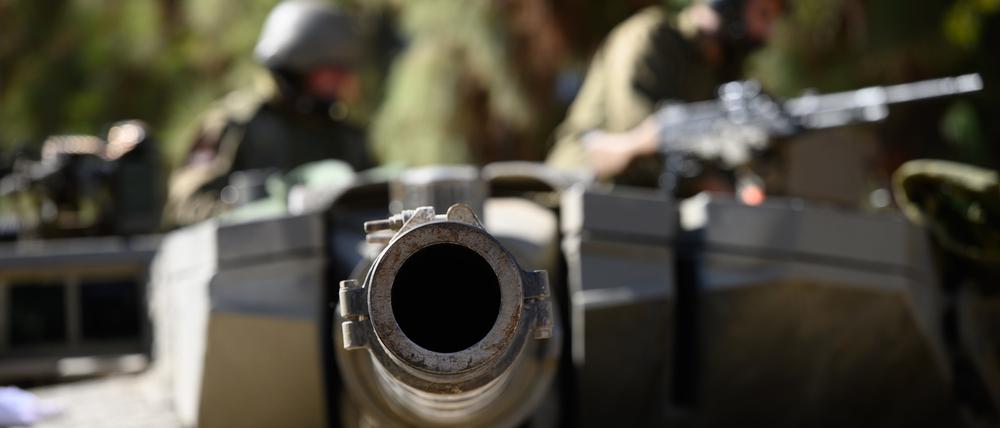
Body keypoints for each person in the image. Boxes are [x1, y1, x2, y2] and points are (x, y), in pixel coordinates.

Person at [166, 0, 372, 225]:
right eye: (332, 70)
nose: (342, 81)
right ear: (298, 67)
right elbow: (186, 202)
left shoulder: (344, 136)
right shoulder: (238, 125)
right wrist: (249, 215)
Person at [546, 0, 785, 186]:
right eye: (763, 15)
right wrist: (705, 180)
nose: (767, 32)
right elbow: (635, 132)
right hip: (583, 183)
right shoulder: (651, 35)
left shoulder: (721, 72)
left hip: (652, 200)